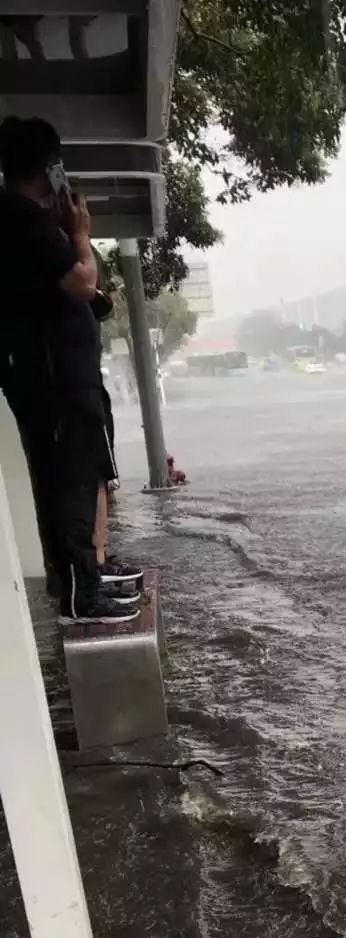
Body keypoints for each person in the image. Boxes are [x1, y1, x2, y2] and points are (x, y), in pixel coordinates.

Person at [0, 115, 139, 623]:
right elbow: (83, 281)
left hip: (51, 374)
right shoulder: (23, 220)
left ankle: (81, 582)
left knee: (71, 473)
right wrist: (80, 234)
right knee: (72, 476)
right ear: (48, 166)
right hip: (54, 377)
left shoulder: (24, 221)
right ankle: (82, 591)